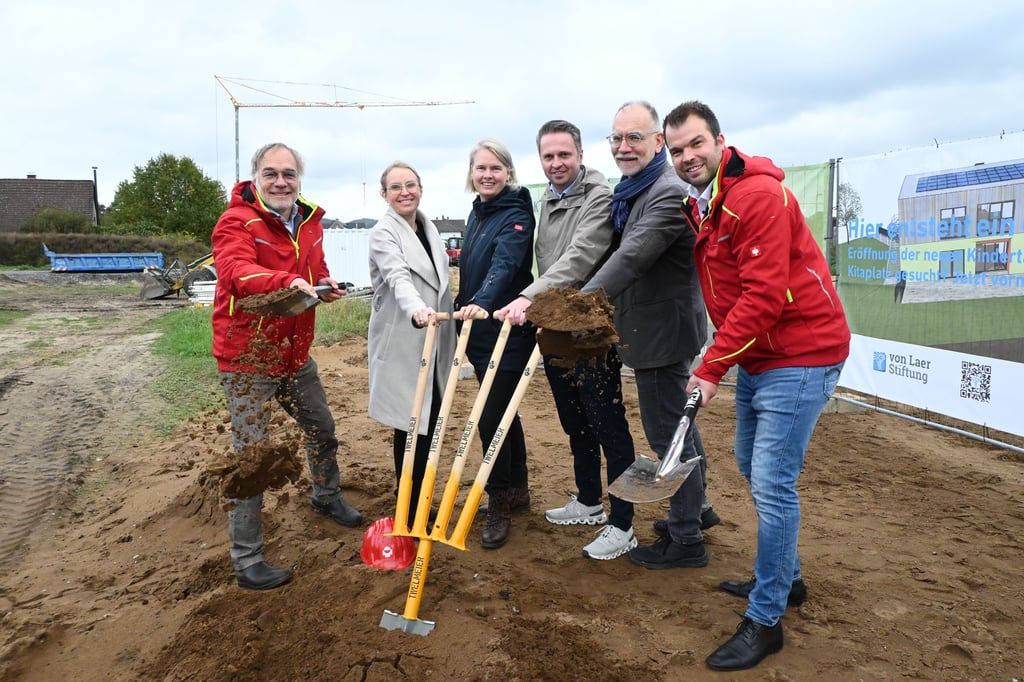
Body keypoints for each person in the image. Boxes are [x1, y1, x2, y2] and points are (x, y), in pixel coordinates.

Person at [664, 100, 850, 671]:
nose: (687, 156)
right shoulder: (710, 200)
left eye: (695, 143)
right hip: (762, 354)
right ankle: (787, 581)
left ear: (720, 140)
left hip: (803, 351)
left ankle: (767, 619)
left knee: (773, 484)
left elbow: (765, 296)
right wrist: (724, 357)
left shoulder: (755, 198)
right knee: (751, 463)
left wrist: (711, 366)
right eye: (676, 150)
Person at [211, 142, 363, 591]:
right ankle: (247, 558)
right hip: (248, 359)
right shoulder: (236, 221)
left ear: (300, 179)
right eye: (271, 173)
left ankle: (326, 497)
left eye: (290, 174)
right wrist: (288, 281)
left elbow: (314, 270)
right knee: (253, 458)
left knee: (323, 429)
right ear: (255, 176)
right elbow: (236, 272)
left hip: (295, 356)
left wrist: (324, 285)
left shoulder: (309, 222)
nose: (281, 182)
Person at [580, 101, 716, 570]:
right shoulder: (633, 190)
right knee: (681, 427)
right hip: (659, 326)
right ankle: (697, 510)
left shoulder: (665, 192)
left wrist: (579, 304)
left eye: (634, 137)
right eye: (616, 138)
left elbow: (633, 257)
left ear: (658, 141)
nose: (623, 147)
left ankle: (685, 538)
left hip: (662, 332)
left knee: (666, 436)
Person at [496, 120, 637, 561]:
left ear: (580, 154)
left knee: (607, 425)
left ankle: (623, 523)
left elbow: (579, 259)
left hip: (590, 331)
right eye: (548, 157)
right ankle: (590, 501)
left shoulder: (598, 197)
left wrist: (527, 296)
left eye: (564, 155)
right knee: (574, 422)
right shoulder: (548, 198)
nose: (556, 164)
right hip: (556, 330)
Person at [455, 138, 536, 549]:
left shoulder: (515, 214)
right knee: (505, 414)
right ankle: (517, 490)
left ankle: (499, 501)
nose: (487, 175)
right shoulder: (478, 213)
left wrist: (480, 303)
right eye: (480, 168)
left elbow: (504, 265)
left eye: (495, 168)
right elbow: (472, 268)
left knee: (491, 418)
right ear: (472, 173)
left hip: (506, 330)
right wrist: (464, 304)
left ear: (508, 173)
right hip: (481, 334)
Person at [367, 162, 456, 527]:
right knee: (410, 422)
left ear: (421, 188)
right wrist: (418, 310)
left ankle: (420, 498)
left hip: (436, 338)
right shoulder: (383, 233)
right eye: (396, 187)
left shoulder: (428, 227)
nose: (405, 192)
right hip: (406, 335)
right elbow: (398, 277)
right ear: (384, 194)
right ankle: (407, 504)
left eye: (411, 185)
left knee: (431, 420)